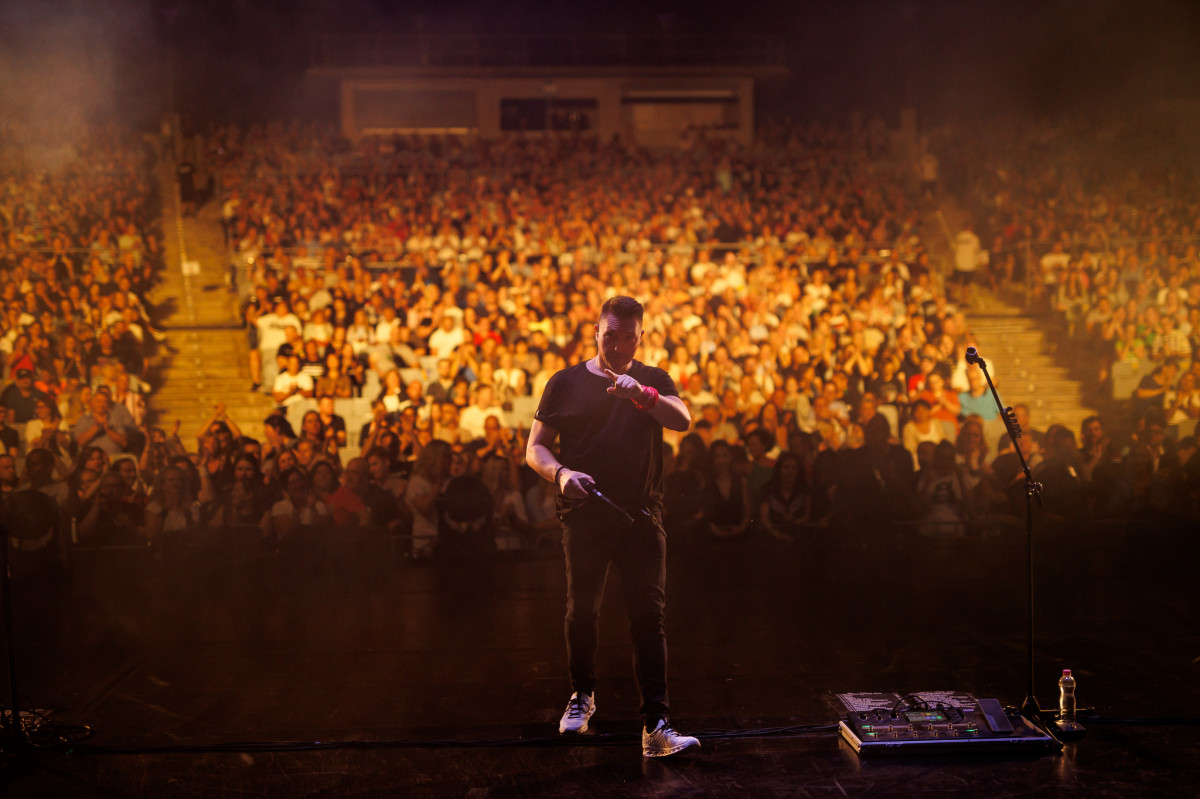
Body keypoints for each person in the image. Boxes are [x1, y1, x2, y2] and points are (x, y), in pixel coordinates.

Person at [525, 295, 699, 758]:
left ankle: (656, 726)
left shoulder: (653, 379)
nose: (619, 345)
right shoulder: (563, 382)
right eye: (611, 335)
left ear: (639, 337)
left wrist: (641, 396)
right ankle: (582, 694)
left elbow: (682, 419)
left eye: (629, 337)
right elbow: (535, 449)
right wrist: (561, 475)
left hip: (642, 515)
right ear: (595, 331)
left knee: (648, 619)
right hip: (585, 517)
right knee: (582, 610)